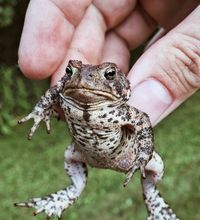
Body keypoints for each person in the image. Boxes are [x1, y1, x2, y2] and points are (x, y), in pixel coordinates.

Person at [18, 0, 200, 126]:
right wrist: (40, 111)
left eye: (109, 74)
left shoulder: (124, 98)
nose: (85, 79)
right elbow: (55, 90)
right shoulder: (66, 87)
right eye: (70, 71)